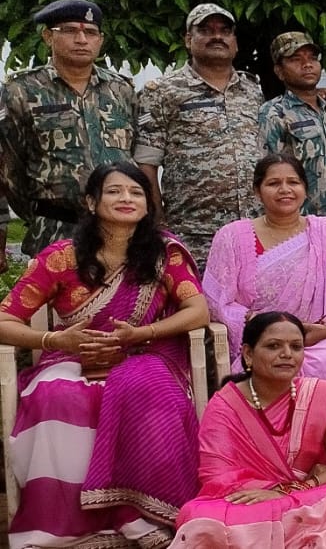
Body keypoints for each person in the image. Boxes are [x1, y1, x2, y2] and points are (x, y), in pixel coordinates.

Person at [0, 161, 209, 548]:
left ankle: (141, 517)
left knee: (147, 394)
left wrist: (143, 333)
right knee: (58, 397)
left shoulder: (165, 254)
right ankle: (70, 529)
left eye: (136, 192)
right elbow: (5, 320)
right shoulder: (61, 257)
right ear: (92, 202)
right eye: (114, 191)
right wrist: (56, 341)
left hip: (145, 354)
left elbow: (198, 311)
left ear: (148, 204)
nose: (126, 198)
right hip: (72, 356)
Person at [173, 313, 326, 545]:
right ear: (248, 354)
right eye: (274, 346)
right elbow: (217, 476)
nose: (287, 354)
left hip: (303, 494)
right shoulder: (225, 405)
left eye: (296, 347)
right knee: (200, 517)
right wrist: (269, 493)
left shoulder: (320, 395)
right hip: (250, 502)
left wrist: (294, 490)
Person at [203, 154, 326, 429]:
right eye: (274, 183)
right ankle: (275, 458)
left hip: (322, 338)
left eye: (293, 182)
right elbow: (217, 301)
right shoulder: (232, 236)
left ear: (305, 190)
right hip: (265, 339)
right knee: (269, 364)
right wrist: (255, 321)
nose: (285, 190)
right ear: (257, 191)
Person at [0, 0, 138, 256]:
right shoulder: (21, 90)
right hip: (55, 229)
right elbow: (10, 167)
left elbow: (134, 152)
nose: (82, 39)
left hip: (120, 232)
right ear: (47, 37)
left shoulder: (121, 89)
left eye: (90, 32)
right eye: (70, 31)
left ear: (100, 39)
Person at [136, 3, 263, 269]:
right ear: (188, 39)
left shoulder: (252, 90)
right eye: (205, 30)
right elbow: (147, 162)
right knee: (199, 307)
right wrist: (157, 220)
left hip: (254, 228)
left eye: (224, 31)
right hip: (194, 233)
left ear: (235, 42)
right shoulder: (162, 91)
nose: (217, 36)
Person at [259, 31, 326, 230]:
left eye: (313, 58)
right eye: (296, 59)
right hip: (300, 228)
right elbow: (268, 174)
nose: (307, 64)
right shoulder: (274, 113)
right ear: (279, 71)